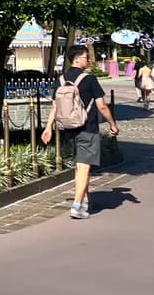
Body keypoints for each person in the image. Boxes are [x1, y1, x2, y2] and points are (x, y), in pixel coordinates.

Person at [42, 44, 120, 220]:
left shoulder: (61, 79)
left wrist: (48, 128)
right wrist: (112, 124)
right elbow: (101, 105)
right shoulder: (89, 79)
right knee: (85, 166)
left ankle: (83, 200)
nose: (89, 60)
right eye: (86, 57)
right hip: (87, 128)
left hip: (68, 128)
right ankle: (77, 206)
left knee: (79, 166)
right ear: (77, 59)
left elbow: (55, 106)